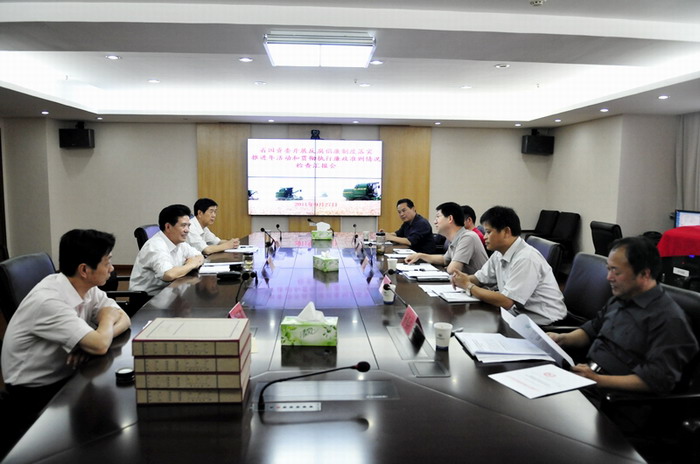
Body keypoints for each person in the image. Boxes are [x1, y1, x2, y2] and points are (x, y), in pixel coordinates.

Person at [1, 229, 131, 446]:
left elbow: (124, 319)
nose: (111, 268)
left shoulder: (85, 286)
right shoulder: (49, 301)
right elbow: (101, 343)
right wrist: (104, 324)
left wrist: (90, 341)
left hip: (67, 374)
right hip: (35, 392)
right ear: (84, 270)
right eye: (107, 262)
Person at [548, 237, 698, 393]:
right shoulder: (620, 298)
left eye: (616, 271)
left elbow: (657, 380)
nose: (609, 277)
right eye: (608, 269)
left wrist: (597, 380)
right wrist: (562, 339)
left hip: (616, 398)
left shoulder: (669, 319)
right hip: (588, 378)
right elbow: (591, 330)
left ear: (644, 274)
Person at [451, 206, 566, 324]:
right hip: (518, 314)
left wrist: (468, 286)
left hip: (544, 322)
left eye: (488, 232)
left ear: (506, 232)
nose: (484, 237)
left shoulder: (526, 258)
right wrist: (461, 279)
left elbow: (506, 302)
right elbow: (479, 278)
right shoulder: (499, 253)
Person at [129, 204, 204, 295]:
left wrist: (192, 262)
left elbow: (200, 256)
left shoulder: (179, 243)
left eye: (188, 226)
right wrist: (191, 264)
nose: (187, 230)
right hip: (147, 298)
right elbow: (169, 275)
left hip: (168, 292)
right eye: (183, 225)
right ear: (168, 227)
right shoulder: (156, 245)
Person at [405, 202, 487, 274]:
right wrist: (420, 255)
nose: (435, 222)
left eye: (438, 217)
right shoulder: (456, 237)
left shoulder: (468, 237)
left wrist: (448, 267)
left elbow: (452, 270)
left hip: (479, 286)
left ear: (450, 219)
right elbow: (444, 259)